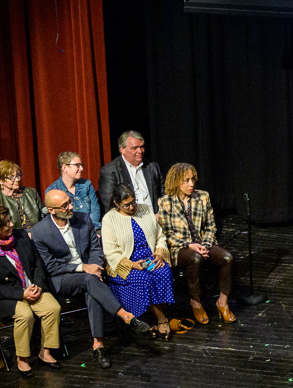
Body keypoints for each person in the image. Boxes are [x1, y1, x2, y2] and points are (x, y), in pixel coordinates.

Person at [30, 187, 151, 368]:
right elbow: (51, 267)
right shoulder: (40, 231)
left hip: (90, 276)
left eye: (69, 202)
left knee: (92, 290)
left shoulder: (83, 219)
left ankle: (98, 345)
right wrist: (84, 267)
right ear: (51, 210)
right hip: (61, 278)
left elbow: (95, 249)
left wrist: (95, 267)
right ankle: (125, 315)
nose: (70, 207)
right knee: (89, 280)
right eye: (64, 206)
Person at [0, 205, 63, 376]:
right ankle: (22, 358)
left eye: (10, 220)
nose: (12, 225)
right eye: (6, 223)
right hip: (2, 296)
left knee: (52, 308)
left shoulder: (21, 236)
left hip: (30, 287)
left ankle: (45, 352)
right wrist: (21, 294)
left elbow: (37, 264)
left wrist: (38, 284)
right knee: (25, 314)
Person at [157, 163, 236, 326]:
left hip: (203, 243)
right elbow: (167, 235)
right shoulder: (165, 202)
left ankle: (222, 301)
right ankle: (196, 302)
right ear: (176, 182)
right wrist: (190, 245)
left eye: (193, 179)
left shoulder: (203, 197)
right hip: (180, 248)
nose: (191, 184)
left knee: (227, 257)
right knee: (195, 259)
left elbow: (210, 227)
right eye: (186, 180)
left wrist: (205, 245)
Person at [102, 186, 181, 338]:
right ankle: (161, 319)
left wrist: (159, 253)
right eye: (126, 205)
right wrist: (132, 265)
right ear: (116, 203)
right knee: (145, 279)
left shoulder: (145, 210)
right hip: (126, 264)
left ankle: (153, 317)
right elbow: (111, 253)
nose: (132, 207)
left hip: (150, 258)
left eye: (133, 202)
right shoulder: (109, 220)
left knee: (164, 271)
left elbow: (160, 236)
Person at [97, 129, 163, 218]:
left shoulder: (152, 167)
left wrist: (160, 214)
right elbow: (110, 203)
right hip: (128, 222)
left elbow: (164, 194)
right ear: (122, 150)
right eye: (134, 148)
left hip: (155, 219)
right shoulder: (110, 171)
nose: (140, 151)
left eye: (142, 147)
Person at [43, 150, 102, 224]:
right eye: (77, 165)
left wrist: (90, 229)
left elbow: (95, 211)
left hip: (91, 228)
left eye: (81, 165)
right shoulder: (53, 191)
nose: (81, 168)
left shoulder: (86, 184)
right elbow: (58, 220)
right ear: (64, 168)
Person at [0, 159, 44, 230]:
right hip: (15, 237)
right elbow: (0, 228)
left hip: (37, 233)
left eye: (18, 175)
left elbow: (43, 216)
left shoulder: (31, 192)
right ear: (0, 180)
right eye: (12, 177)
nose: (17, 179)